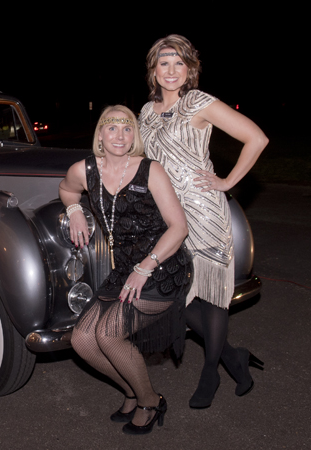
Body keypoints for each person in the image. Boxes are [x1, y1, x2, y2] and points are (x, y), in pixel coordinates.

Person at [139, 34, 268, 409]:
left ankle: (210, 369)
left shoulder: (198, 101)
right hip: (168, 218)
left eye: (179, 63)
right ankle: (233, 356)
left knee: (212, 298)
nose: (172, 70)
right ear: (153, 70)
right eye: (164, 62)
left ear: (190, 69)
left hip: (205, 212)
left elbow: (256, 138)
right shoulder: (146, 113)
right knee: (173, 296)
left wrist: (227, 182)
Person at [60, 105, 192, 435]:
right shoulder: (84, 169)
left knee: (108, 335)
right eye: (112, 128)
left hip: (162, 267)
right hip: (124, 270)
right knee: (82, 341)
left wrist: (145, 268)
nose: (120, 135)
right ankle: (132, 389)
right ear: (100, 134)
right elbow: (66, 188)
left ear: (135, 135)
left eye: (127, 128)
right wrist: (75, 208)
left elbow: (178, 228)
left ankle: (150, 400)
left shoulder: (150, 170)